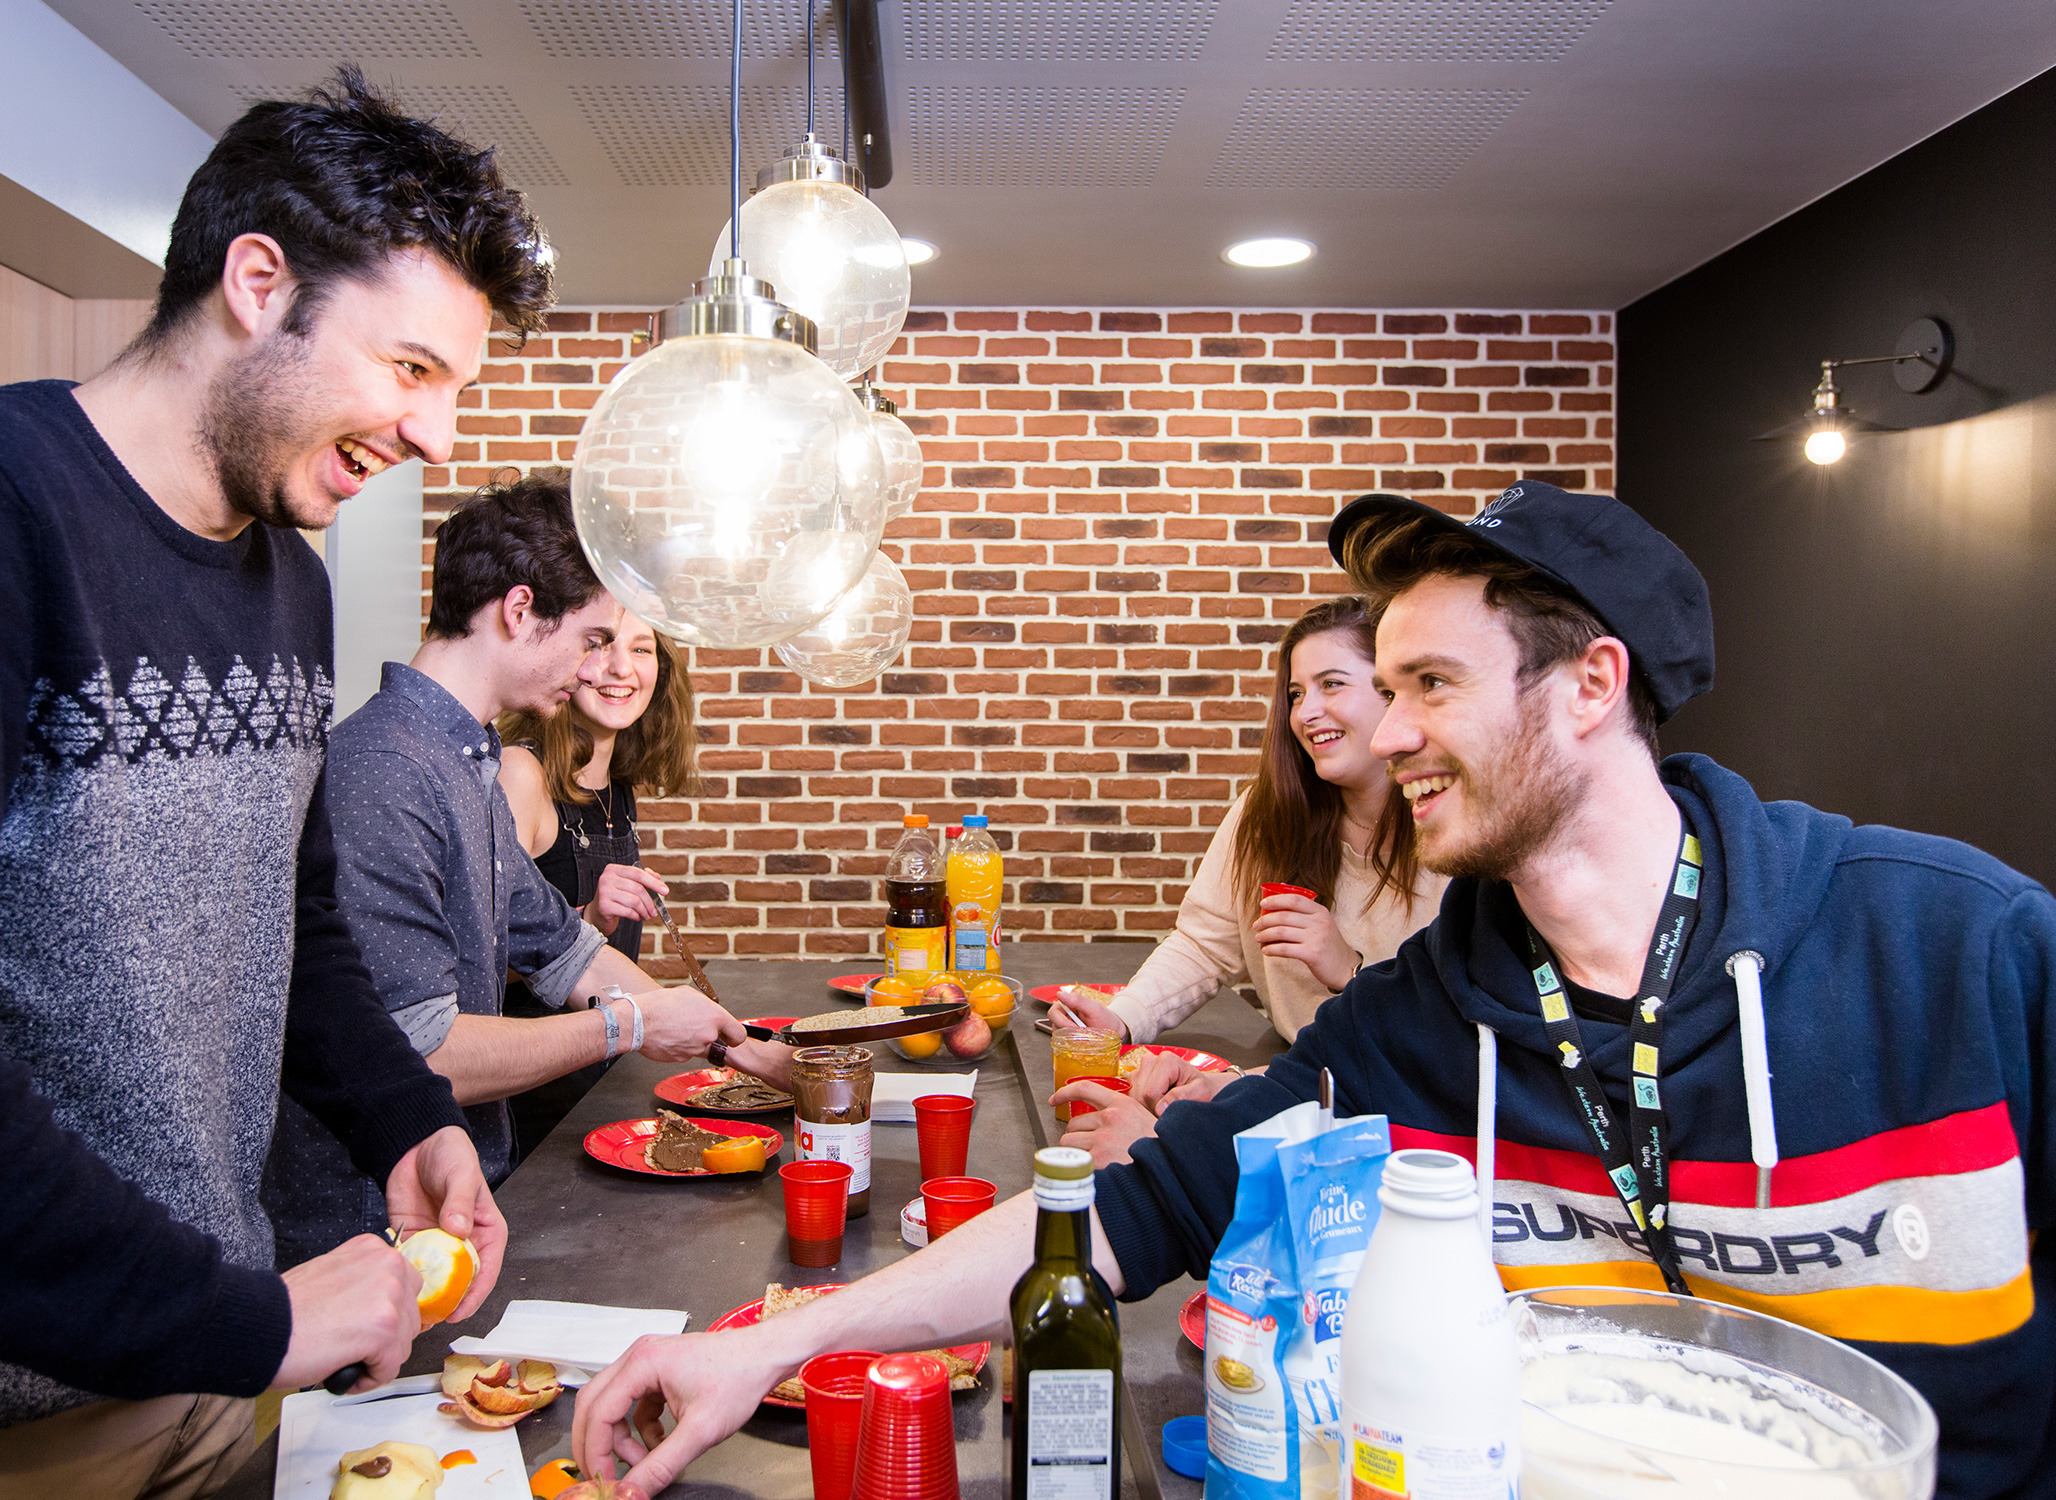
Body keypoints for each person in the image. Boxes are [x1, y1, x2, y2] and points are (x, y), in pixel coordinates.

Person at [570, 481, 2055, 1499]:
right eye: (1380, 685)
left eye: (1432, 686)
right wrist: (761, 1341)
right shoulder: (1430, 1014)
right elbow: (1130, 1209)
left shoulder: (1958, 951)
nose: (1387, 731)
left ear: (1591, 686)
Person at [0, 71, 543, 1495]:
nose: (437, 439)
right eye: (411, 371)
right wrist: (243, 1312)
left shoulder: (288, 585)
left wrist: (409, 1120)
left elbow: (297, 921)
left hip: (205, 1374)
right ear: (259, 284)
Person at [262, 477, 764, 1266]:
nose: (603, 665)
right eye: (594, 637)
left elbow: (563, 949)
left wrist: (734, 1044)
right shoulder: (386, 771)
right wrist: (629, 1025)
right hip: (373, 1236)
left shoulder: (465, 760)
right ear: (519, 611)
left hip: (461, 1210)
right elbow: (420, 1052)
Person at [1053, 596, 1445, 1049]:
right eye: (1296, 693)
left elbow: (1458, 1032)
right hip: (1296, 1077)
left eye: (1332, 684)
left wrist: (1350, 971)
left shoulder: (1449, 829)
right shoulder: (1265, 812)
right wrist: (1122, 1019)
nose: (1306, 712)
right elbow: (1203, 945)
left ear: (1390, 692)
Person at [492, 606, 698, 1151]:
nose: (619, 668)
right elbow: (477, 964)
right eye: (601, 643)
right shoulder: (521, 773)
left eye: (640, 649)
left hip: (597, 1088)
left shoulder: (618, 787)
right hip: (527, 1106)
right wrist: (588, 918)